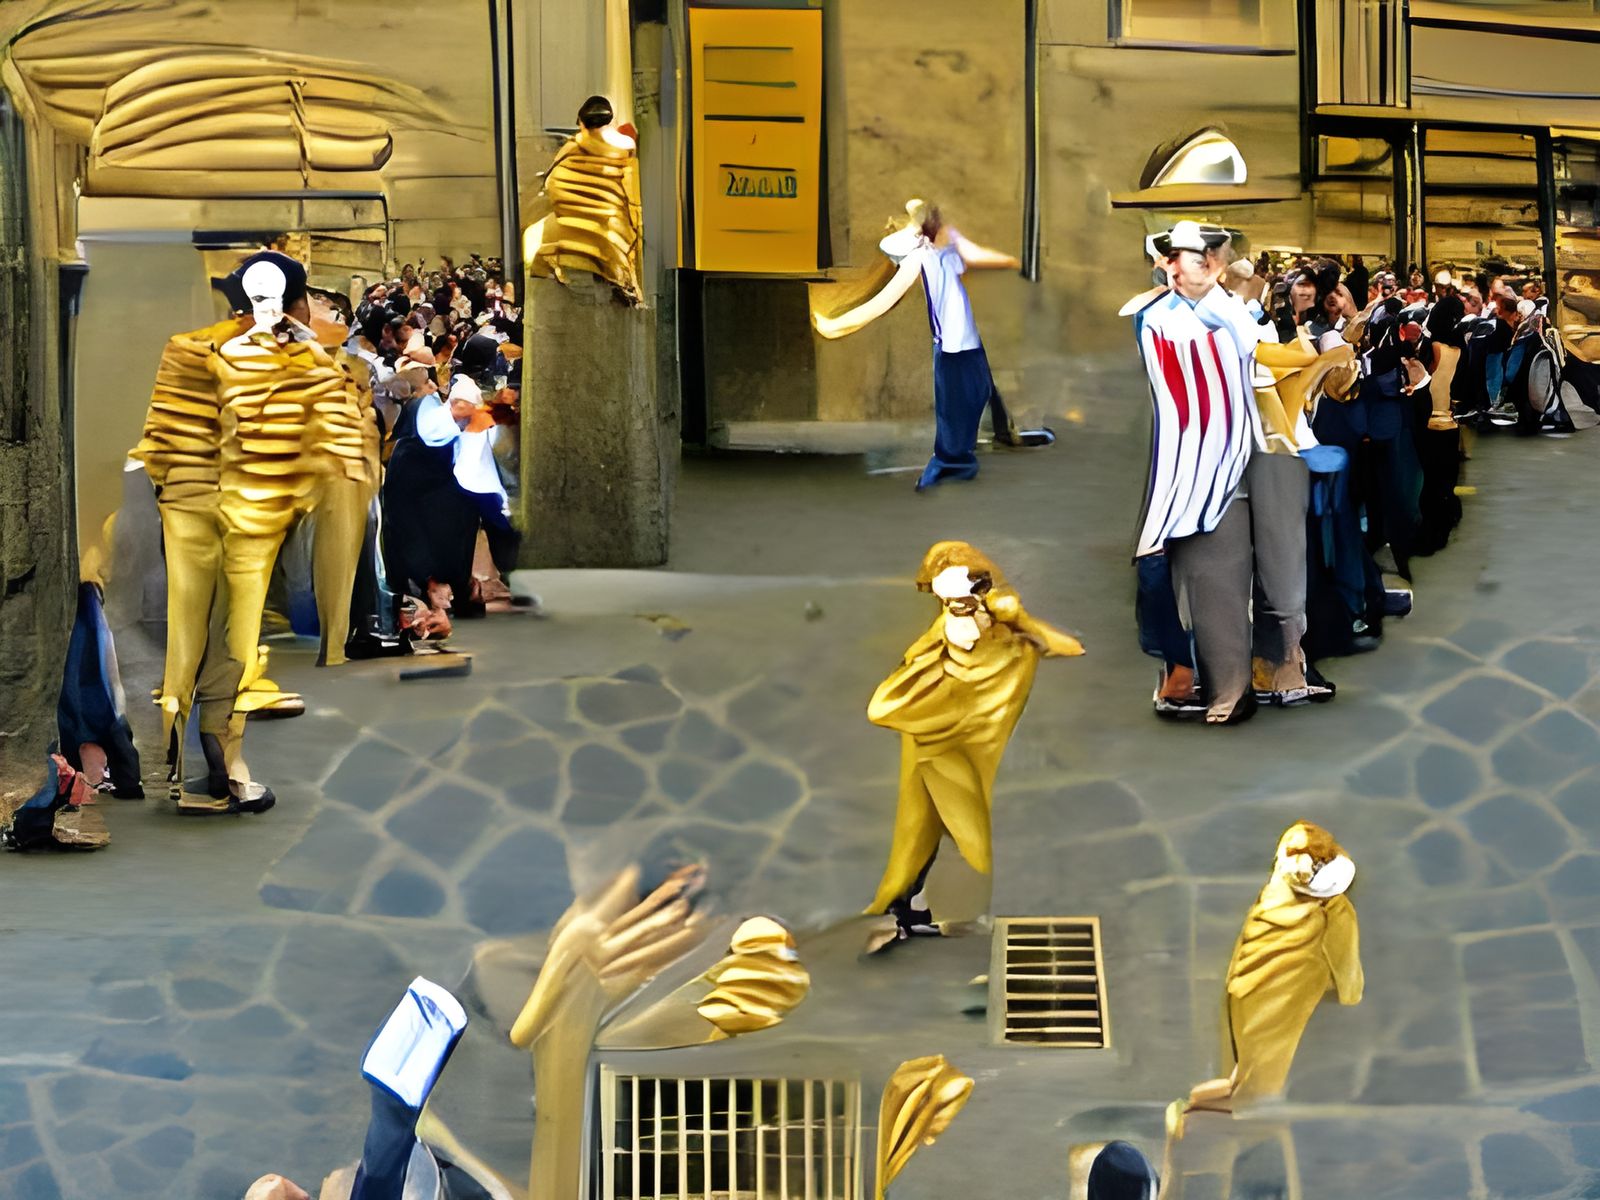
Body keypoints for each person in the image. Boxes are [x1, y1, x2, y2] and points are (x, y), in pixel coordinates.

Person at [814, 199, 1051, 491]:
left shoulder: (945, 244)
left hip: (964, 344)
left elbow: (981, 256)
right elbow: (882, 302)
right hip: (959, 345)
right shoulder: (924, 254)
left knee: (972, 396)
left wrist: (1013, 263)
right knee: (967, 399)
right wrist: (838, 325)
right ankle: (957, 460)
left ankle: (963, 458)